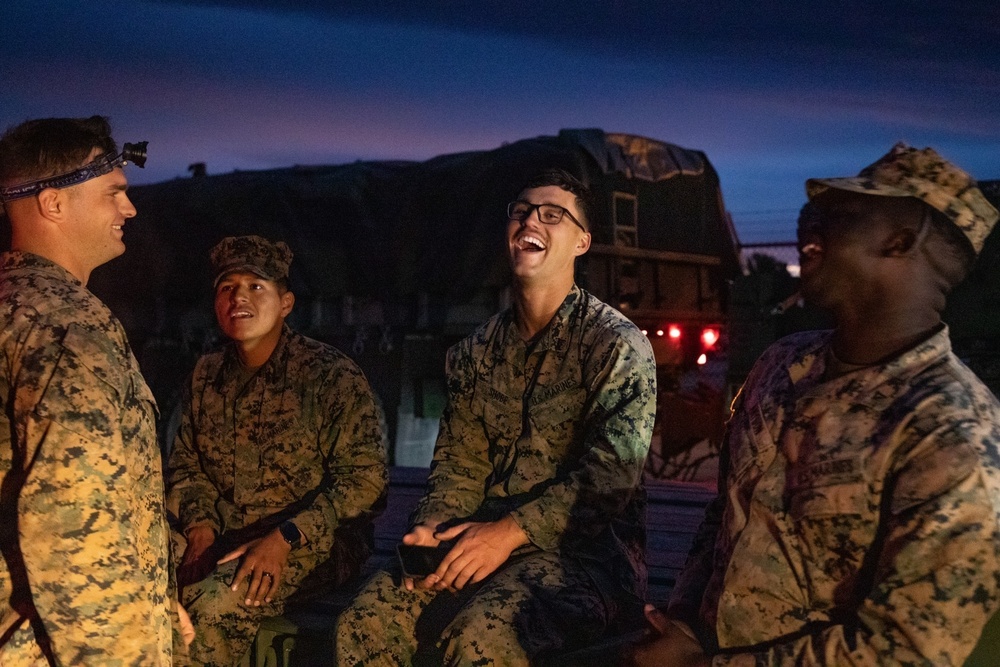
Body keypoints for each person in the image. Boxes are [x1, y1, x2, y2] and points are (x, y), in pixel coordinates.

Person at [630, 143, 1000, 666]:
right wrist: (686, 623)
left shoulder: (953, 431)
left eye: (843, 214)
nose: (810, 224)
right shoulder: (782, 364)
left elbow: (904, 652)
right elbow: (726, 513)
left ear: (901, 240)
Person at [336, 168, 658, 664]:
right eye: (522, 211)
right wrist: (433, 526)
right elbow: (458, 469)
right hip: (479, 540)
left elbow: (609, 478)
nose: (532, 220)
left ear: (582, 242)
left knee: (481, 637)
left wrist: (509, 533)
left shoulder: (615, 344)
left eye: (553, 215)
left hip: (587, 559)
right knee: (365, 623)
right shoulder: (475, 352)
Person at [0, 116, 188, 664]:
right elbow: (72, 522)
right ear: (54, 204)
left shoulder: (15, 306)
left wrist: (152, 600)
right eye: (113, 194)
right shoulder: (67, 330)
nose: (128, 210)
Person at [167, 234, 388, 665]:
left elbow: (365, 482)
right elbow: (187, 465)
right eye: (227, 287)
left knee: (210, 604)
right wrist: (200, 527)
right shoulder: (206, 374)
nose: (238, 299)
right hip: (226, 532)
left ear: (285, 303)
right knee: (137, 573)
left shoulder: (329, 376)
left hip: (313, 542)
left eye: (256, 287)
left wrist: (287, 536)